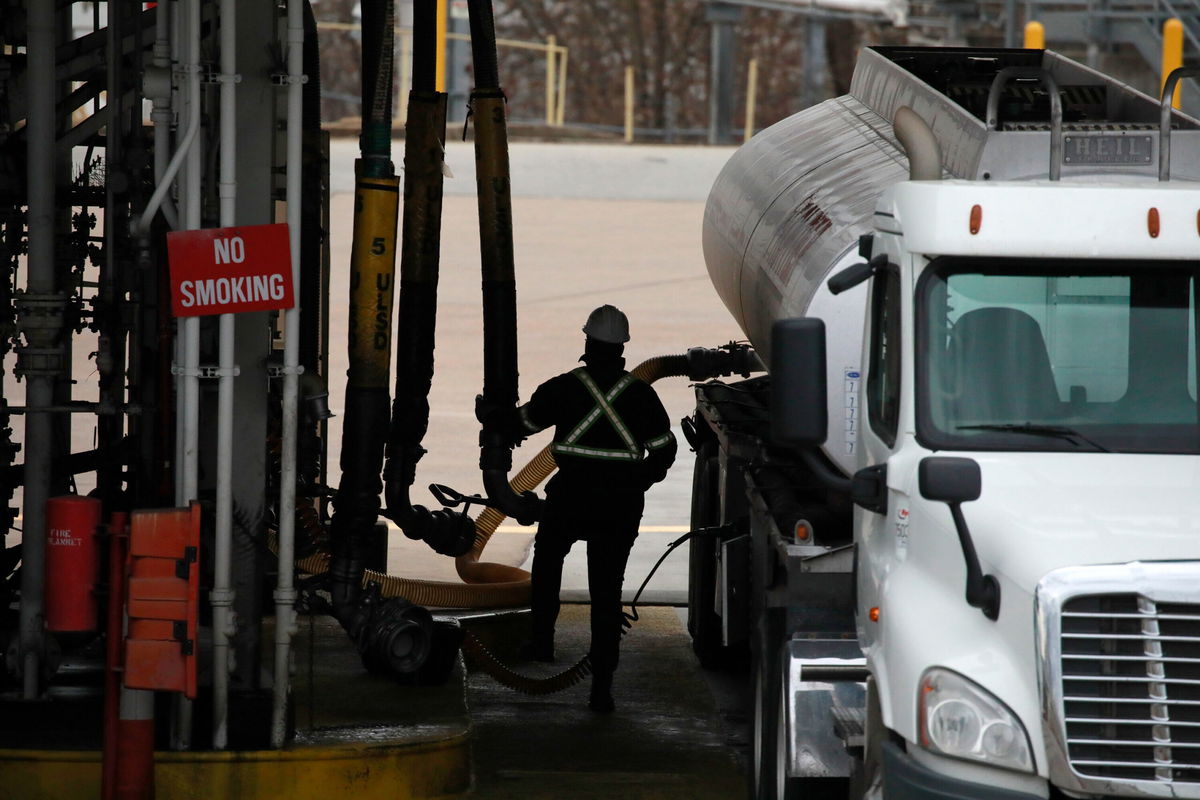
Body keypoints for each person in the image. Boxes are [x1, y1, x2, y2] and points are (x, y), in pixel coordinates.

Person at [483, 305, 676, 712]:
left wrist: (493, 416)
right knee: (606, 594)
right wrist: (634, 482)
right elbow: (663, 451)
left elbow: (523, 425)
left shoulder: (564, 388)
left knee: (549, 560)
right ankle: (601, 687)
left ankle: (541, 640)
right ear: (623, 347)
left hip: (570, 497)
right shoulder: (641, 395)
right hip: (619, 506)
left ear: (586, 342)